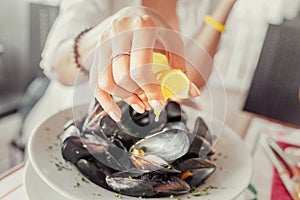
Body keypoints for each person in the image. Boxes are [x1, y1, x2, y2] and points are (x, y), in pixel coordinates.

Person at [22, 0, 237, 142]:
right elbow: (57, 65)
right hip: (65, 128)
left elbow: (189, 80)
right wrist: (105, 33)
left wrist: (224, 6)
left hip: (141, 131)